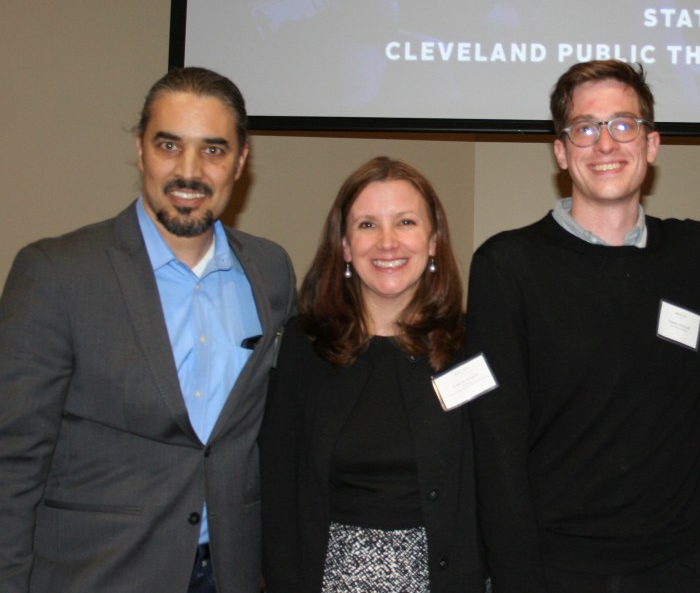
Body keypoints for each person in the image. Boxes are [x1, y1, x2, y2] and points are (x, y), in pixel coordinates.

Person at [0, 67, 296, 592]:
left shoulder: (271, 272)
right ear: (140, 149)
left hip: (229, 572)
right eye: (168, 145)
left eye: (213, 150)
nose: (189, 171)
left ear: (241, 162)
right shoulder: (56, 273)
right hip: (99, 573)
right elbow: (12, 461)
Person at [466, 60, 700, 592]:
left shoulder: (698, 254)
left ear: (652, 143)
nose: (605, 143)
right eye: (584, 128)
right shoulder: (509, 264)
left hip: (676, 567)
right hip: (554, 569)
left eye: (623, 124)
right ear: (561, 151)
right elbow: (494, 444)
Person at [259, 156, 485, 592]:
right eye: (367, 225)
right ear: (344, 246)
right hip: (328, 579)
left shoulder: (471, 346)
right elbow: (278, 484)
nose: (387, 243)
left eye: (405, 222)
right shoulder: (303, 347)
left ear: (433, 240)